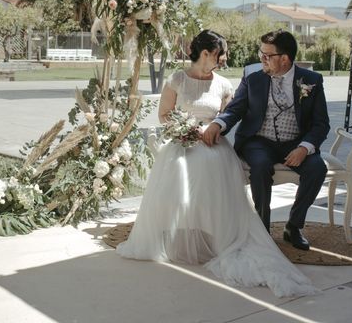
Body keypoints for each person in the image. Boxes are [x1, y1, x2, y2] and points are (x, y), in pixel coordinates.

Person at [116, 30, 317, 298]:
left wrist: (213, 129)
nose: (223, 61)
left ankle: (234, 233)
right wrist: (186, 128)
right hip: (183, 141)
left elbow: (228, 114)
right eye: (221, 55)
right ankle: (181, 233)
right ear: (208, 53)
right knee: (180, 168)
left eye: (266, 55)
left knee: (216, 166)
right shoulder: (177, 78)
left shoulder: (223, 84)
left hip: (212, 143)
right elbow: (165, 115)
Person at [202, 29, 330, 251]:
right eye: (261, 53)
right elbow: (235, 109)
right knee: (260, 166)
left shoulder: (312, 81)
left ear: (285, 58)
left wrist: (305, 147)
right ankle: (262, 229)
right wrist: (218, 124)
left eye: (267, 55)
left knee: (317, 168)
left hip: (295, 142)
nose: (262, 59)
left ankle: (293, 226)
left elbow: (321, 124)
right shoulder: (253, 78)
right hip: (259, 141)